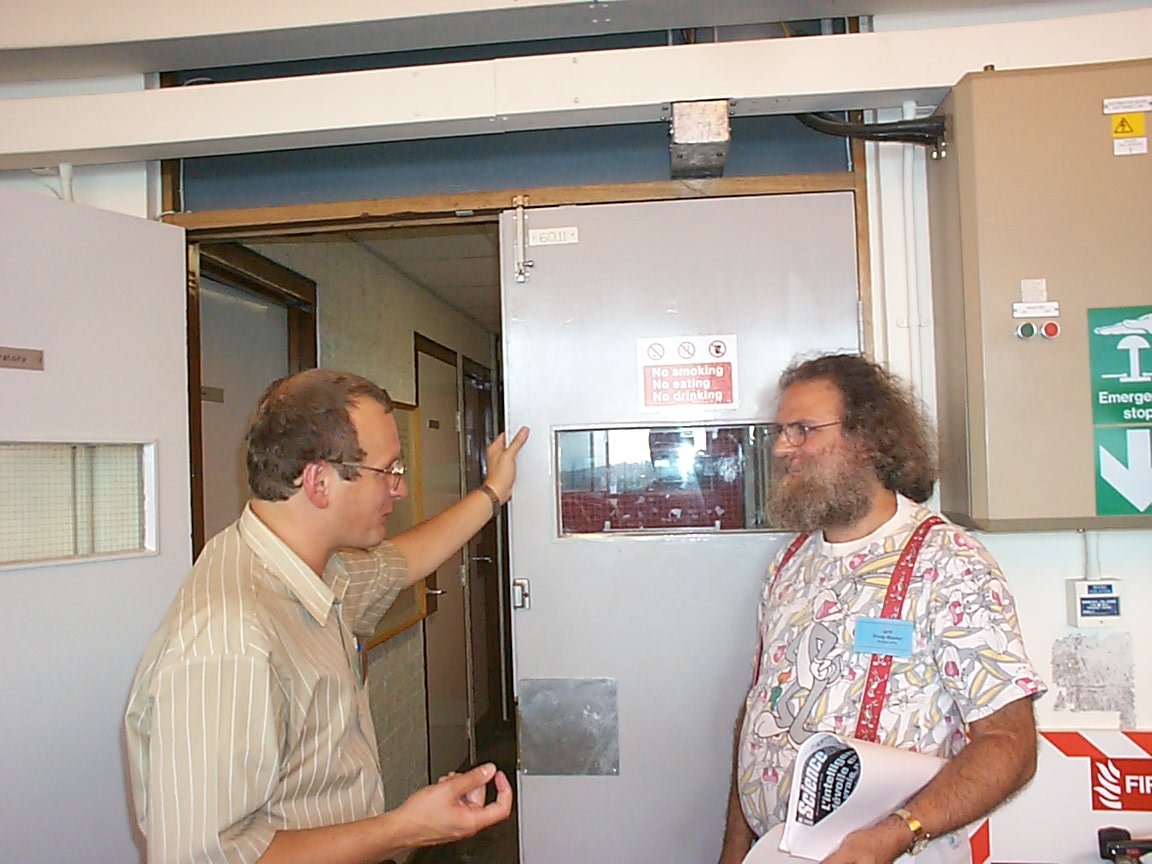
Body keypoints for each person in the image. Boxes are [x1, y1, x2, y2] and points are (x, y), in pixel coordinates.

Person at [125, 369, 530, 864]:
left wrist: (494, 491)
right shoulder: (232, 639)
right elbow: (201, 858)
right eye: (388, 470)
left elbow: (405, 561)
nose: (400, 489)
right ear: (319, 481)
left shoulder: (306, 568)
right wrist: (405, 828)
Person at [718, 354, 1045, 864]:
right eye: (780, 432)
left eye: (803, 430)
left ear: (867, 438)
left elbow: (1010, 744)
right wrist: (735, 850)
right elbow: (760, 710)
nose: (782, 448)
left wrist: (896, 833)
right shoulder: (790, 561)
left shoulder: (948, 562)